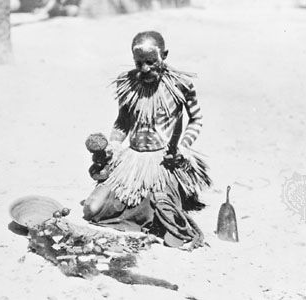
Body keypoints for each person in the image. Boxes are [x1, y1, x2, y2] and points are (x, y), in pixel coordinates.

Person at [83, 31, 212, 249]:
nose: (145, 69)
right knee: (92, 209)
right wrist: (113, 147)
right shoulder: (127, 84)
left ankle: (168, 202)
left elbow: (196, 119)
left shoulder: (181, 84)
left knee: (162, 211)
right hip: (131, 161)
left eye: (151, 62)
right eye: (139, 62)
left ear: (165, 55)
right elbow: (122, 123)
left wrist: (183, 148)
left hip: (163, 161)